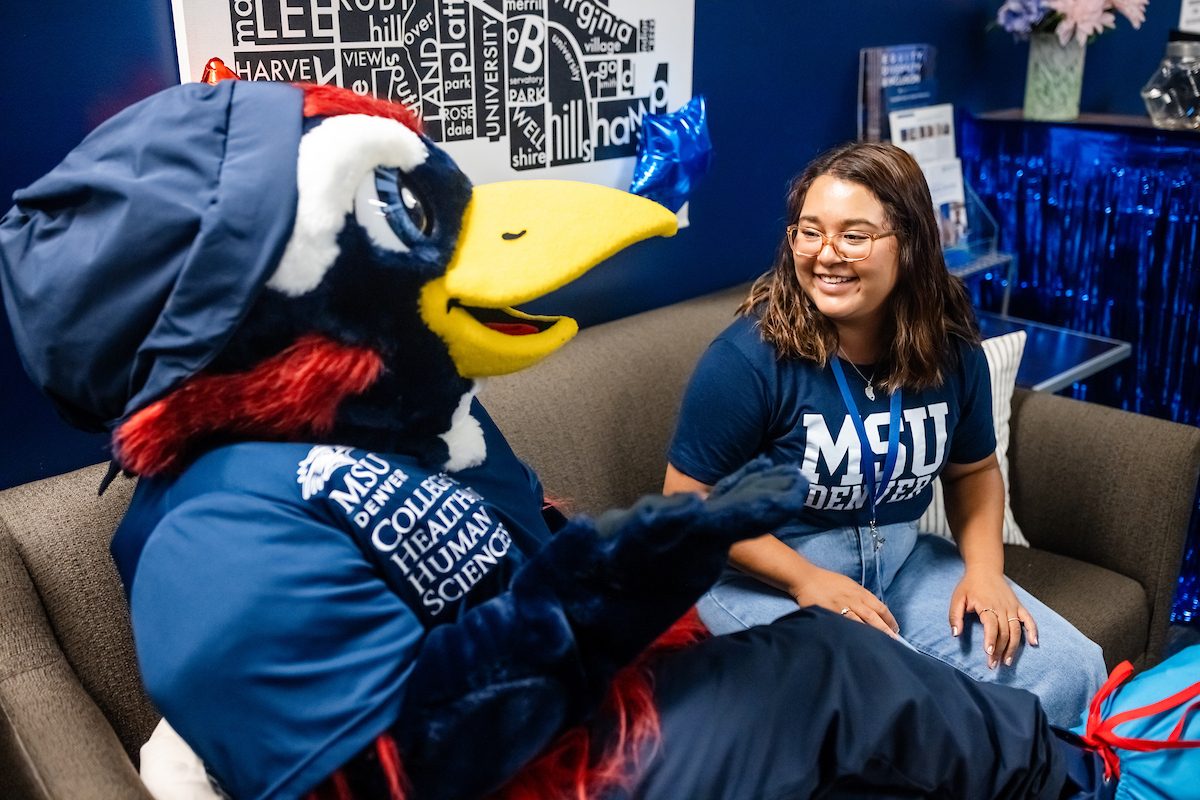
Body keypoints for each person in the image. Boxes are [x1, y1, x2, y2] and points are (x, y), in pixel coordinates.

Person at [665, 141, 1107, 727]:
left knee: (1071, 671)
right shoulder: (747, 360)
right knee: (902, 709)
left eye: (854, 235)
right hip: (761, 578)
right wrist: (806, 580)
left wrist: (984, 570)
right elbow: (686, 503)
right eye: (809, 231)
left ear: (910, 244)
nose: (826, 254)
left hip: (899, 564)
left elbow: (973, 470)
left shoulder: (951, 352)